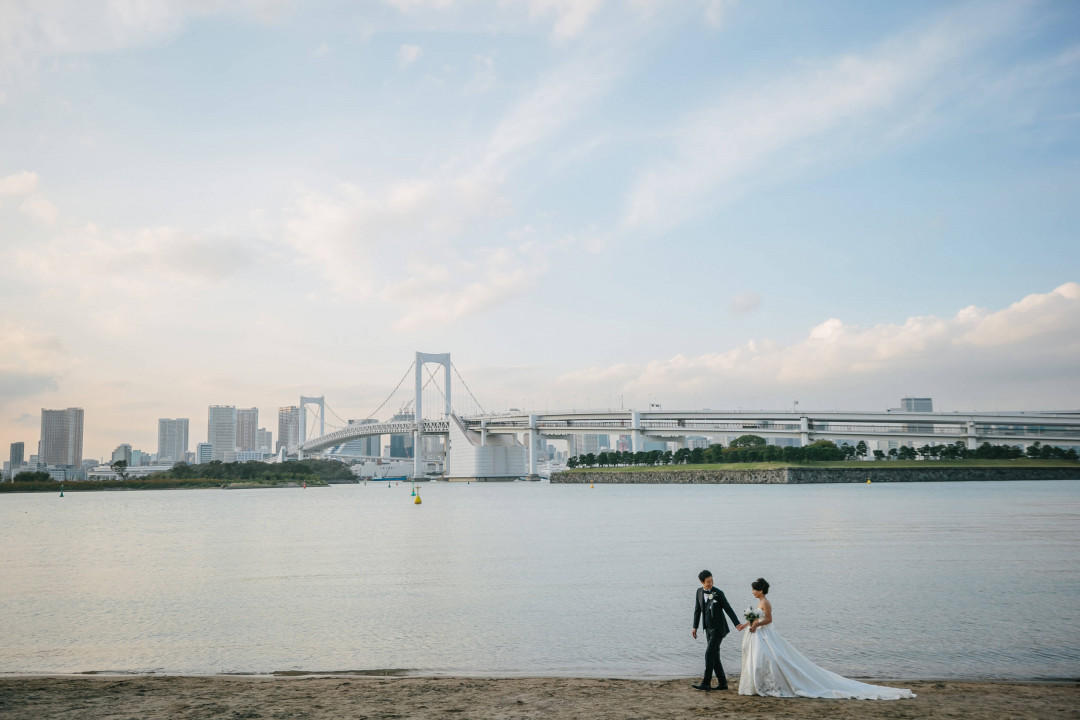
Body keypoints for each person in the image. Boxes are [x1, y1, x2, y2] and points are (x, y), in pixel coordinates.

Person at [735, 578, 916, 700]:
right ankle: (761, 684)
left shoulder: (765, 602)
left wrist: (757, 625)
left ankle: (772, 685)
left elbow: (769, 619)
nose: (752, 592)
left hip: (765, 634)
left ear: (760, 590)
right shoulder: (759, 603)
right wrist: (747, 624)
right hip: (758, 634)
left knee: (774, 659)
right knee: (759, 660)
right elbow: (756, 618)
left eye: (754, 589)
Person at [691, 569, 740, 691]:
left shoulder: (719, 593)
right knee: (715, 656)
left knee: (709, 654)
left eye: (712, 580)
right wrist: (695, 627)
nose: (711, 583)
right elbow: (697, 610)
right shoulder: (698, 592)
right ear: (701, 582)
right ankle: (723, 683)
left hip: (719, 629)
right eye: (708, 582)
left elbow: (728, 608)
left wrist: (737, 623)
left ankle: (706, 682)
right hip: (707, 629)